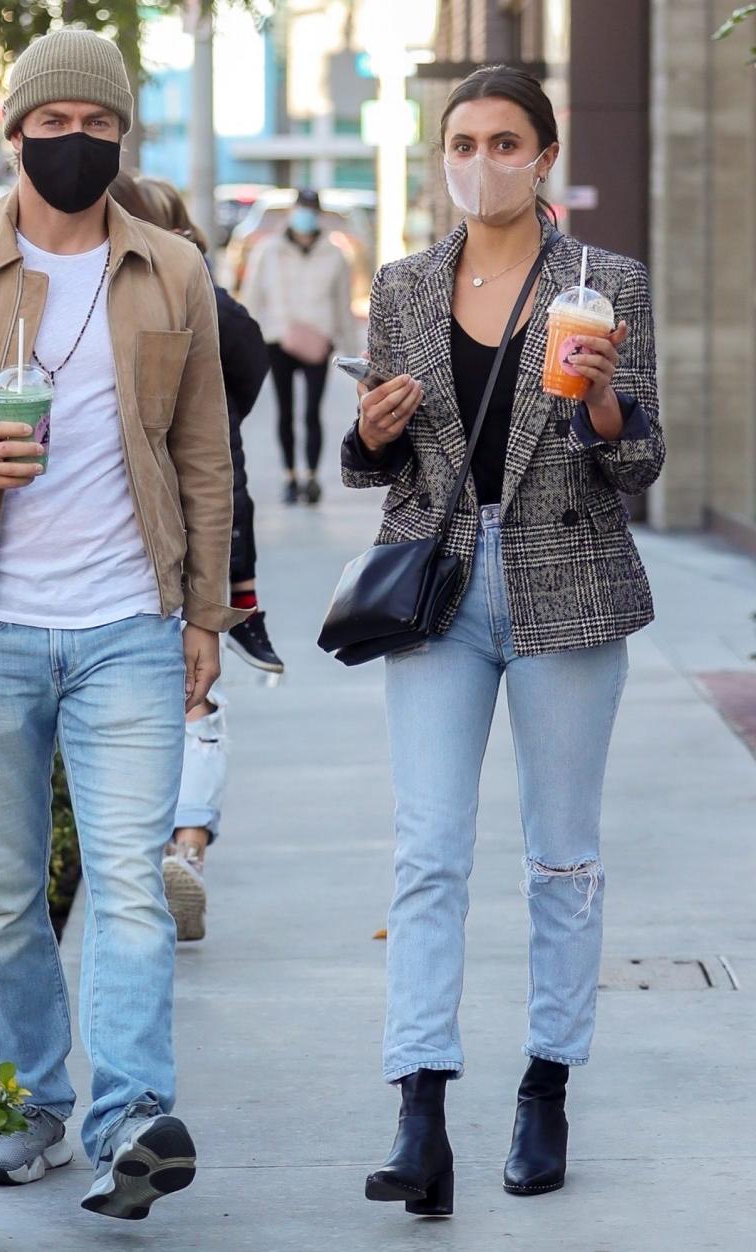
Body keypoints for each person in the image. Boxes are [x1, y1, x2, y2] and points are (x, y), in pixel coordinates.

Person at [0, 28, 244, 1223]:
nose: (76, 144)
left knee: (129, 883)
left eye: (99, 125)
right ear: (15, 131)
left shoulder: (172, 268)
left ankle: (130, 1120)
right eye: (54, 124)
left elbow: (203, 454)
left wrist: (205, 613)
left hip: (129, 620)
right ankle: (32, 1109)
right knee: (8, 891)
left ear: (125, 135)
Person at [343, 65, 665, 1216]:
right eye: (463, 141)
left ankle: (546, 1082)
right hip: (441, 591)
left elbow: (639, 463)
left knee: (561, 855)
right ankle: (419, 1106)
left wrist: (605, 404)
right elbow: (380, 461)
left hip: (567, 583)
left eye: (503, 140)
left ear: (544, 151)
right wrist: (371, 431)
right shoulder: (404, 285)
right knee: (428, 849)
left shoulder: (603, 280)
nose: (480, 160)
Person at [127, 174, 278, 941]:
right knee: (195, 701)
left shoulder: (150, 293)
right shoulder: (218, 305)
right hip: (210, 522)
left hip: (149, 527)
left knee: (140, 701)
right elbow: (246, 390)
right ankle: (187, 847)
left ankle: (153, 849)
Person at [241, 189, 358, 504]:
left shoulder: (334, 254)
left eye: (310, 210)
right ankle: (290, 475)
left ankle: (312, 477)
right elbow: (253, 296)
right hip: (278, 337)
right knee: (285, 411)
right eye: (300, 209)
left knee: (312, 412)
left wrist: (352, 351)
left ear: (318, 214)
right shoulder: (268, 250)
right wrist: (248, 340)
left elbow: (342, 304)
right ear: (292, 212)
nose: (304, 216)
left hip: (319, 339)